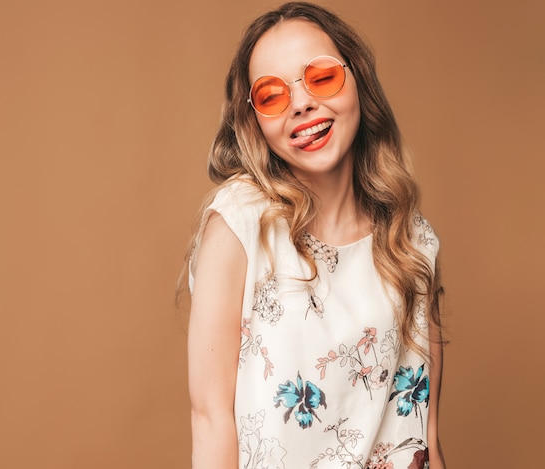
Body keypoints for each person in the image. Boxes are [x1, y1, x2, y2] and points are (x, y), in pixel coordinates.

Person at [182, 2, 446, 468]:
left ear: (358, 79)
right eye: (272, 95)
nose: (301, 103)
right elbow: (210, 419)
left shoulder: (411, 240)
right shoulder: (240, 224)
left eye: (321, 78)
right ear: (254, 121)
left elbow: (424, 433)